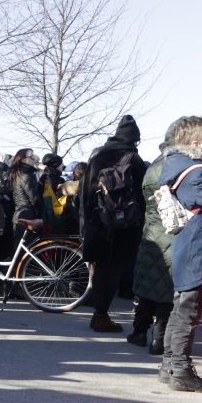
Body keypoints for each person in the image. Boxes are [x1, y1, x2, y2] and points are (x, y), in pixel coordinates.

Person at [157, 116, 202, 392]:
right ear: (196, 143)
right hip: (200, 246)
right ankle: (181, 370)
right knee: (191, 310)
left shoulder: (186, 166)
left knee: (183, 308)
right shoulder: (199, 172)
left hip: (194, 244)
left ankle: (170, 366)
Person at [78, 115, 146, 333]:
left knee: (101, 269)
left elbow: (84, 195)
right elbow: (142, 197)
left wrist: (85, 225)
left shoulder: (97, 157)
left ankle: (99, 313)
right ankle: (101, 316)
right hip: (123, 226)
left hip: (97, 223)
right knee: (114, 270)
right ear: (134, 139)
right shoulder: (133, 159)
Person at [127, 119, 186, 354]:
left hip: (151, 230)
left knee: (146, 286)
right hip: (172, 231)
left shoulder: (154, 165)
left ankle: (139, 331)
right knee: (166, 291)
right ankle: (159, 339)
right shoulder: (177, 165)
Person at [7, 148, 43, 244]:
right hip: (27, 214)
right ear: (23, 159)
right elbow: (34, 199)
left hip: (19, 213)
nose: (34, 158)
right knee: (27, 247)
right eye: (31, 156)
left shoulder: (16, 173)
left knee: (19, 246)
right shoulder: (26, 175)